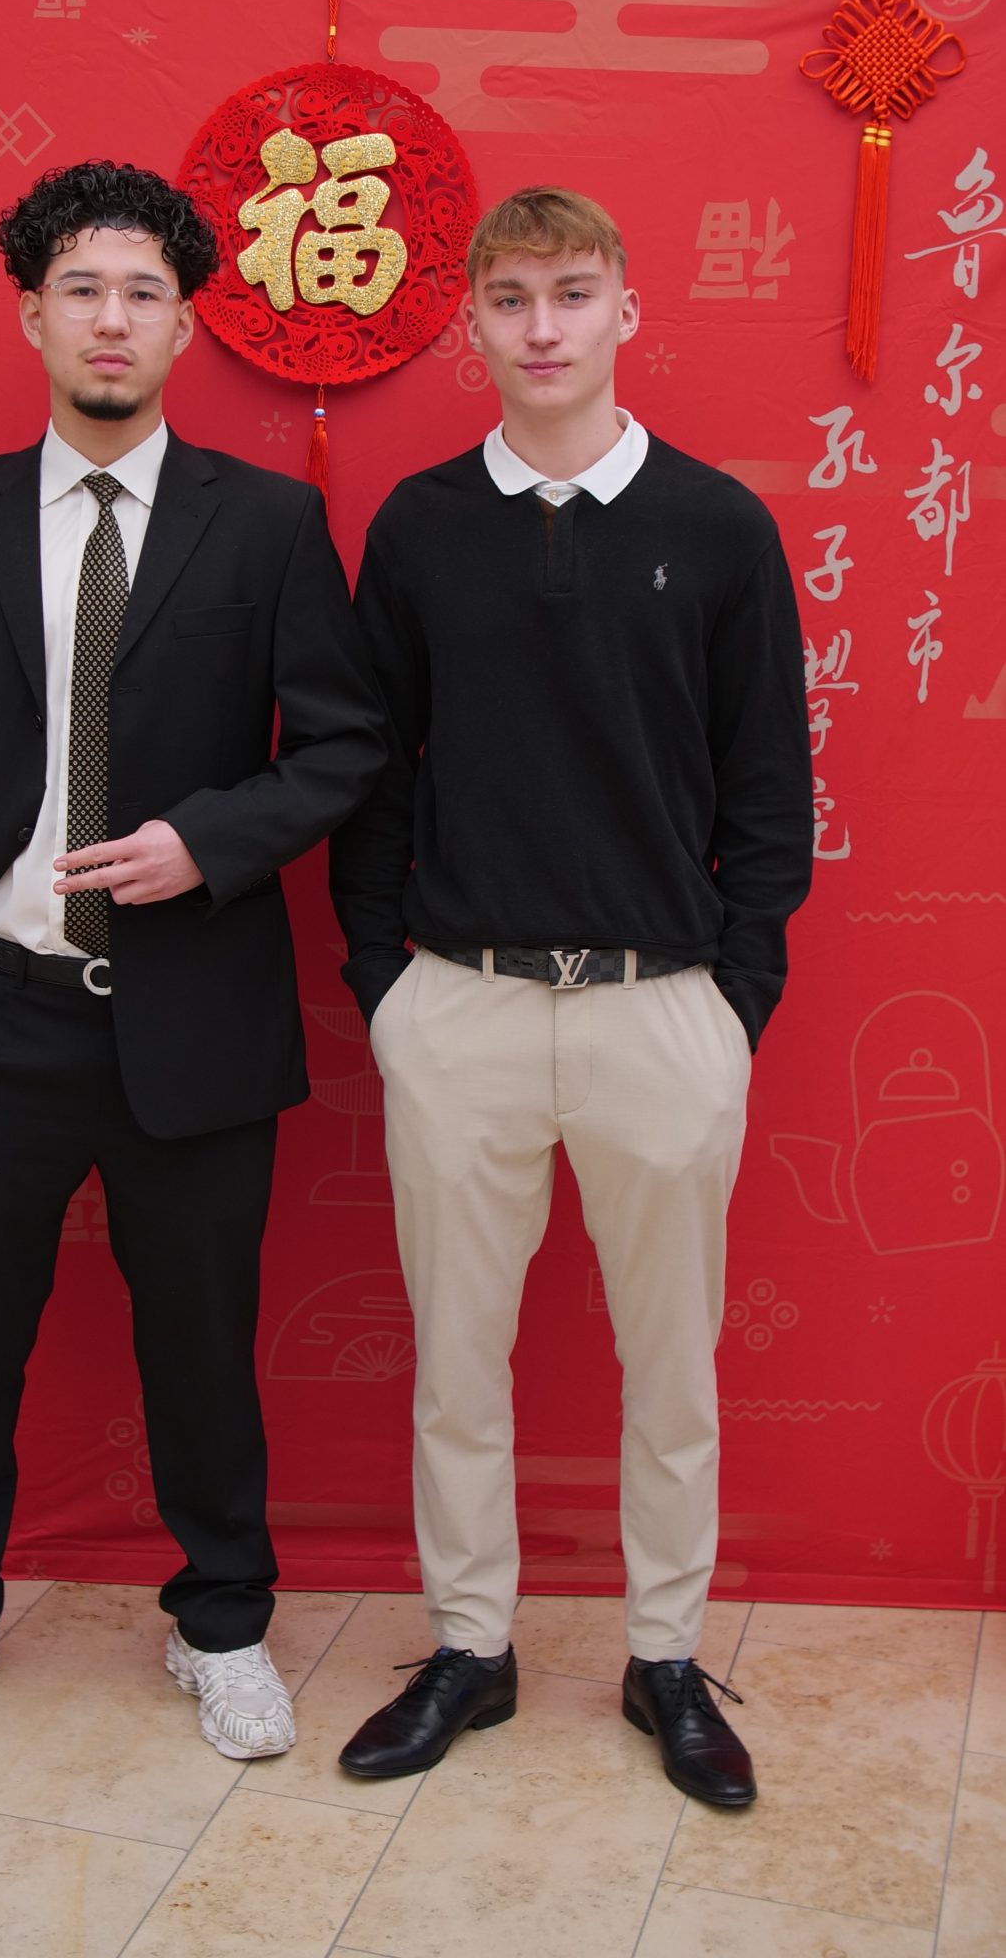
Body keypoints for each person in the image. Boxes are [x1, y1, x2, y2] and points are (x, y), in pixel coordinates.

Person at [0, 160, 386, 1760]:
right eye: (80, 288)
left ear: (182, 324)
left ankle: (222, 1625)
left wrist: (206, 843)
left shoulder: (268, 524)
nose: (110, 317)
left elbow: (344, 744)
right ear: (31, 314)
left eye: (142, 291)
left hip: (194, 1013)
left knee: (202, 1353)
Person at [329, 186, 812, 1806]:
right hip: (457, 1003)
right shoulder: (416, 527)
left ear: (625, 311)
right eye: (512, 297)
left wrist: (731, 1003)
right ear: (469, 323)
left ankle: (664, 1656)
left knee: (668, 1370)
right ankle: (467, 1647)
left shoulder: (717, 526)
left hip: (659, 1009)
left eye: (573, 292)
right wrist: (384, 987)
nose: (543, 327)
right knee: (455, 1364)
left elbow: (767, 792)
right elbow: (371, 775)